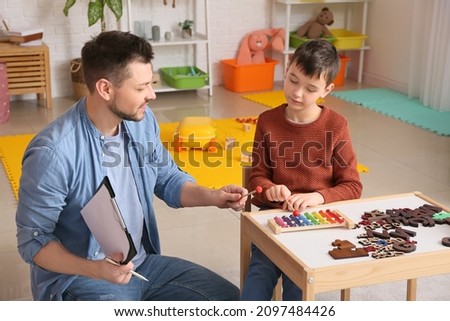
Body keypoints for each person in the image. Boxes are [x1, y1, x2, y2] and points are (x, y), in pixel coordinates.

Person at [15, 30, 248, 301]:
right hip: (80, 279)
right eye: (141, 88)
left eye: (151, 84)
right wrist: (97, 270)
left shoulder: (141, 121)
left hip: (142, 267)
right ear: (105, 88)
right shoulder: (53, 153)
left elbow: (167, 179)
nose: (152, 95)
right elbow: (33, 241)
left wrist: (213, 196)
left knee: (236, 303)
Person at [240, 39, 363, 301]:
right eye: (293, 80)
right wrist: (270, 190)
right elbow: (257, 179)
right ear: (286, 70)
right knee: (259, 276)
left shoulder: (337, 125)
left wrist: (316, 197)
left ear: (326, 90)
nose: (297, 93)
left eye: (310, 88)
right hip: (274, 219)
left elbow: (352, 186)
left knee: (298, 285)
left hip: (319, 222)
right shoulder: (267, 121)